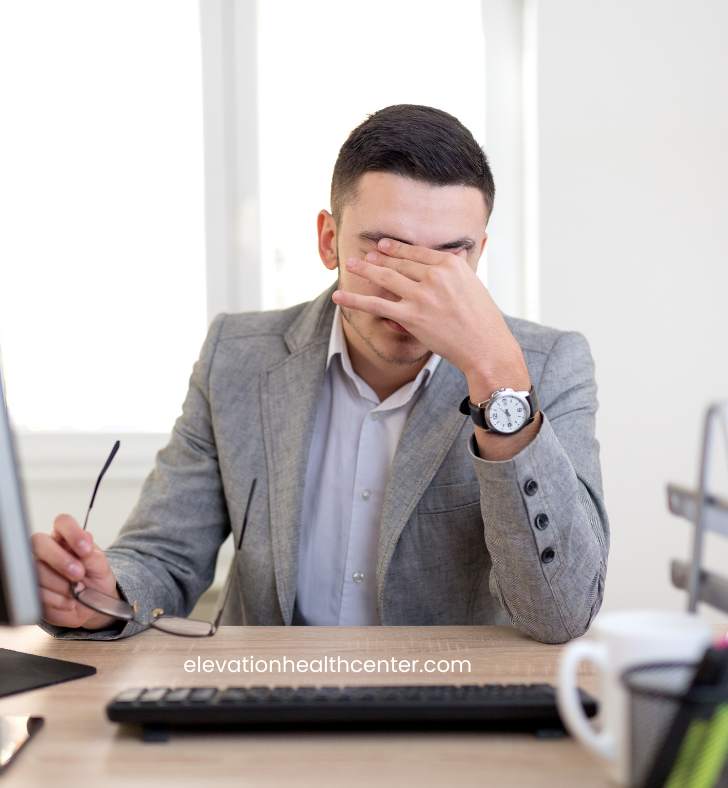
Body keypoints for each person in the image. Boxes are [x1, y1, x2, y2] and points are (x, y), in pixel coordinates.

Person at [32, 104, 609, 645]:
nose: (413, 290)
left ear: (479, 254)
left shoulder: (549, 366)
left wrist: (497, 378)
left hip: (441, 719)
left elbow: (560, 613)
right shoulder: (236, 354)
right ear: (329, 241)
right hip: (268, 709)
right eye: (388, 252)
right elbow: (164, 555)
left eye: (448, 259)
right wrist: (104, 595)